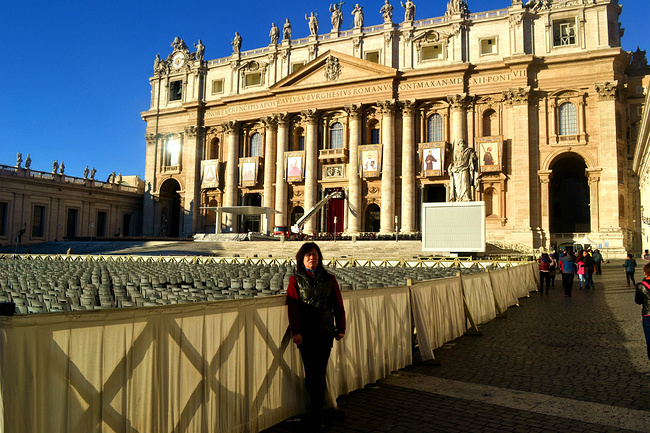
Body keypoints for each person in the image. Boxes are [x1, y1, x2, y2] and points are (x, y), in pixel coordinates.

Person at [287, 242, 346, 429]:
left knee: (319, 371)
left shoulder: (330, 278)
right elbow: (293, 308)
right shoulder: (294, 280)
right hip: (305, 334)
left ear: (319, 257)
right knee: (312, 372)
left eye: (314, 255)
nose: (312, 258)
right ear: (302, 259)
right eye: (308, 255)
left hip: (325, 332)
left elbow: (338, 305)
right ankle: (317, 410)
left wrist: (341, 328)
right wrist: (296, 332)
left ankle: (317, 412)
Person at [634, 262, 650, 361]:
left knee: (649, 341)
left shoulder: (640, 286)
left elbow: (638, 301)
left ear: (645, 273)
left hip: (648, 315)